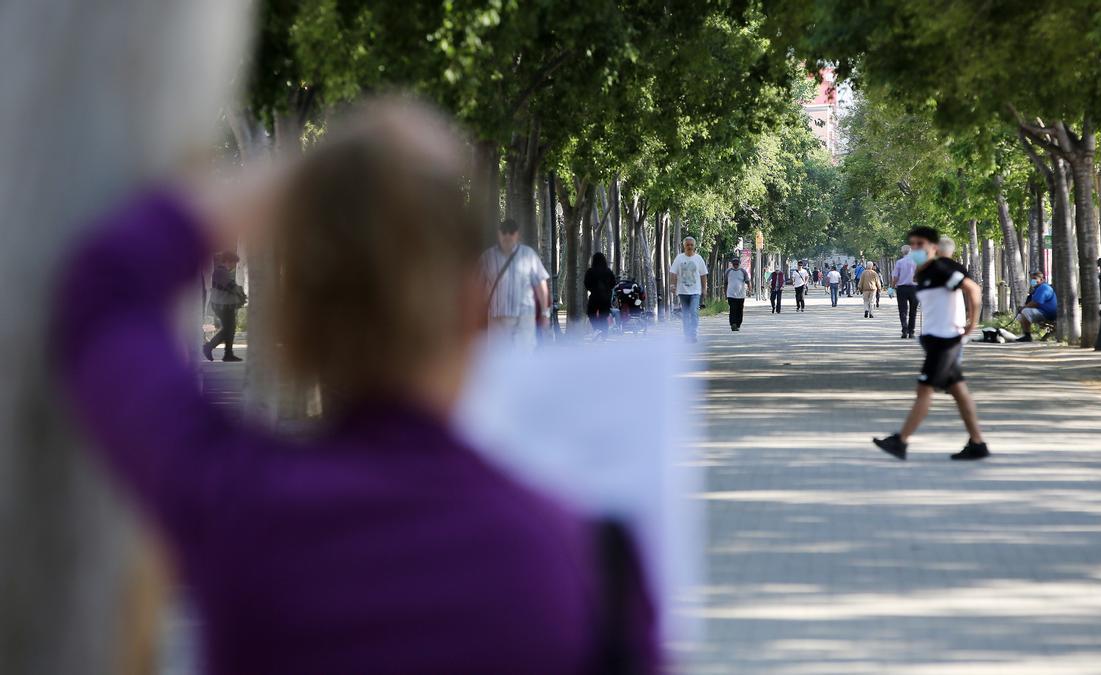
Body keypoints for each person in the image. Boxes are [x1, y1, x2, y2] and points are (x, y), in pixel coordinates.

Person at [53, 100, 659, 674]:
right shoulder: (593, 566)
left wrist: (321, 170)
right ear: (477, 314)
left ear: (295, 315)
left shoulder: (235, 504)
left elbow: (105, 290)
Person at [873, 225, 989, 461]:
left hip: (947, 340)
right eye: (913, 244)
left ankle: (901, 441)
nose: (916, 248)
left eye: (921, 244)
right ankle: (977, 442)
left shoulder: (942, 268)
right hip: (935, 340)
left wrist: (972, 323)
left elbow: (973, 289)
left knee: (924, 389)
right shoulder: (924, 272)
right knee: (959, 391)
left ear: (933, 247)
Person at [481, 217, 551, 350]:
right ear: (498, 234)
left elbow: (541, 285)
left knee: (524, 357)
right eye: (504, 231)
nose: (507, 235)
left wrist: (544, 313)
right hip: (497, 317)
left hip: (523, 317)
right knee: (499, 358)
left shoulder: (529, 255)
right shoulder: (487, 257)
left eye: (511, 232)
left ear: (517, 235)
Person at [202, 250, 244, 362]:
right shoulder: (221, 272)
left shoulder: (221, 272)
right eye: (234, 263)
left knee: (230, 329)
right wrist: (240, 292)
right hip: (222, 305)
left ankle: (228, 354)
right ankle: (210, 347)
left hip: (223, 304)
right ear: (228, 261)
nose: (234, 266)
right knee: (228, 329)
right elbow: (231, 287)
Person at [670, 235, 708, 343]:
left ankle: (693, 334)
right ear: (684, 246)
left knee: (694, 312)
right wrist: (672, 285)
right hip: (682, 291)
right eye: (687, 245)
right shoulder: (679, 258)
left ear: (694, 246)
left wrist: (704, 288)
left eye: (691, 245)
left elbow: (703, 274)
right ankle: (687, 335)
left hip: (695, 291)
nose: (689, 247)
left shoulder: (698, 258)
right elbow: (673, 272)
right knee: (686, 314)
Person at [1016, 271, 1057, 341]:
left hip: (1048, 314)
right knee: (1020, 316)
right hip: (1041, 312)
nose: (1033, 281)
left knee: (1025, 311)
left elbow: (1036, 303)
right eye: (1032, 279)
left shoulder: (1044, 288)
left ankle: (1028, 337)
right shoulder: (1037, 289)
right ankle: (1027, 335)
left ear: (1042, 280)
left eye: (1035, 279)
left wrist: (1023, 308)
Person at [584, 251, 617, 335]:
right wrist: (607, 289)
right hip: (606, 297)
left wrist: (592, 289)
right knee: (604, 315)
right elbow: (613, 283)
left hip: (595, 296)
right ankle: (604, 332)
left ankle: (597, 329)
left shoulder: (590, 272)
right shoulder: (608, 271)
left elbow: (586, 283)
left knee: (591, 313)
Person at [892, 244, 918, 339]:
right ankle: (911, 332)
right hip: (914, 288)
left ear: (902, 252)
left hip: (902, 288)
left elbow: (895, 277)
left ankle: (904, 329)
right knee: (913, 311)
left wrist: (892, 287)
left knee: (902, 310)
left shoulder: (899, 262)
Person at [726, 257, 750, 331]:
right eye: (734, 264)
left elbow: (748, 281)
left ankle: (738, 323)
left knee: (739, 310)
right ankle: (733, 324)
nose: (735, 265)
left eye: (737, 264)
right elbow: (725, 283)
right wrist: (725, 294)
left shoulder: (743, 271)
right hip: (731, 294)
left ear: (739, 264)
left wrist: (750, 289)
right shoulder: (728, 271)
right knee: (733, 309)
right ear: (732, 264)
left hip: (741, 295)